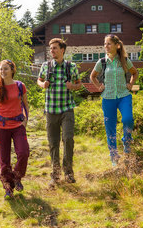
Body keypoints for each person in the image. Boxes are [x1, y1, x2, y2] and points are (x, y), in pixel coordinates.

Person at [37, 38, 82, 187]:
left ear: (62, 49)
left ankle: (68, 172)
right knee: (53, 143)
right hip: (51, 110)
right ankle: (55, 175)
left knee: (68, 139)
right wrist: (42, 84)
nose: (52, 51)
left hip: (67, 109)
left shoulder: (71, 67)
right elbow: (39, 80)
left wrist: (72, 86)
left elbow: (79, 84)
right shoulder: (45, 66)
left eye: (55, 48)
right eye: (51, 49)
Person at [90, 34, 138, 166]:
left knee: (128, 119)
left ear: (117, 46)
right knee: (110, 128)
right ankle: (114, 157)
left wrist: (131, 84)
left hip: (124, 96)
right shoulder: (102, 62)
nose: (106, 46)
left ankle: (127, 141)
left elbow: (135, 72)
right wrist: (98, 86)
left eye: (109, 44)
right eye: (105, 44)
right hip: (108, 98)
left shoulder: (124, 60)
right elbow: (92, 76)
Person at [0, 60, 29, 199]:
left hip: (18, 127)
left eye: (5, 69)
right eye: (1, 69)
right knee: (4, 162)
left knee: (23, 153)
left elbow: (26, 105)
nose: (3, 71)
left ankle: (17, 177)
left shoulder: (20, 86)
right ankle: (8, 189)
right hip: (1, 128)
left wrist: (25, 120)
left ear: (12, 70)